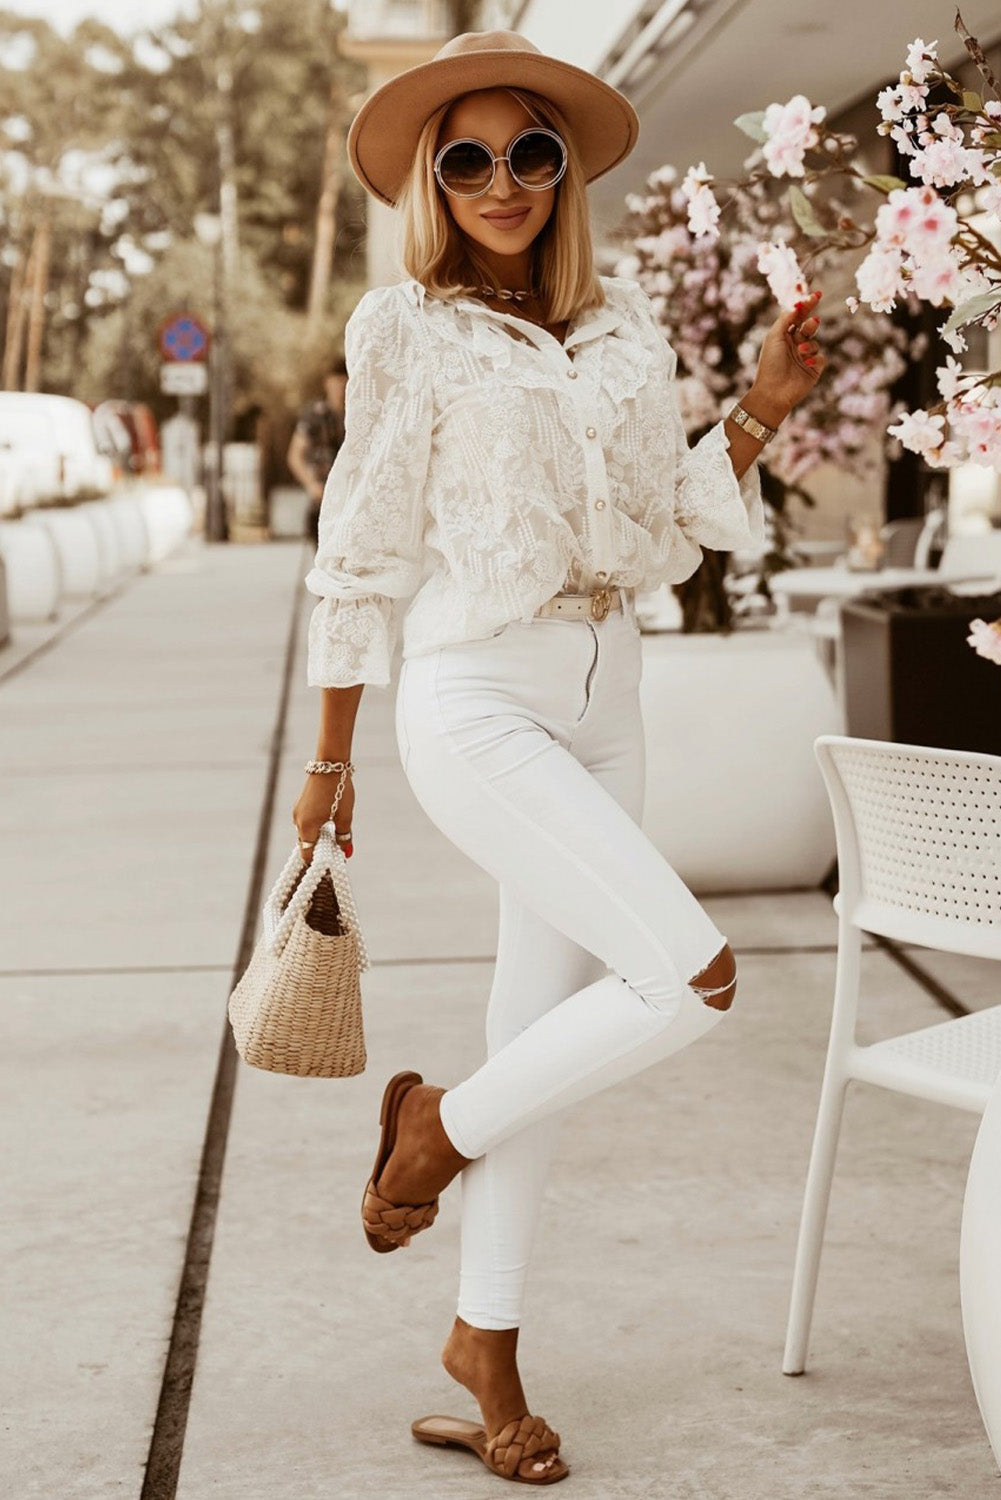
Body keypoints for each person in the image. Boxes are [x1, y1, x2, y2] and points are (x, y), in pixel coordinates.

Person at [292, 28, 825, 1487]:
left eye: (529, 151)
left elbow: (664, 510)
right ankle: (426, 1136)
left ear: (562, 168)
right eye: (466, 158)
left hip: (609, 692)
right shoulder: (405, 328)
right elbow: (358, 548)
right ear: (434, 181)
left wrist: (765, 405)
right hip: (472, 694)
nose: (502, 180)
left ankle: (488, 1345)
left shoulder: (625, 327)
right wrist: (329, 763)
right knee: (690, 980)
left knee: (544, 1041)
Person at [286, 356, 348, 542]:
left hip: (351, 498)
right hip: (322, 497)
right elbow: (295, 455)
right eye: (336, 382)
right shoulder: (314, 415)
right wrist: (311, 484)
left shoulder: (359, 415)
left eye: (343, 382)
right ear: (327, 383)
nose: (340, 389)